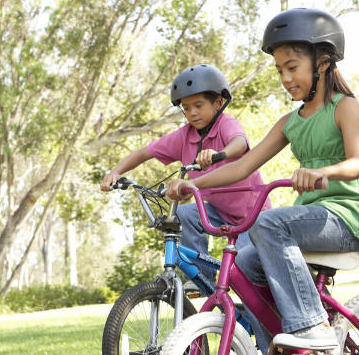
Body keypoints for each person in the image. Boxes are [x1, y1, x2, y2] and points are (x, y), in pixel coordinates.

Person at [165, 8, 359, 350]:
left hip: (346, 217)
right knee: (243, 265)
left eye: (292, 67)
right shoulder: (290, 121)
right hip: (310, 220)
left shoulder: (344, 106)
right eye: (280, 71)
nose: (286, 78)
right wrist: (193, 184)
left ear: (322, 63)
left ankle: (311, 325)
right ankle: (281, 348)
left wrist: (321, 172)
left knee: (265, 224)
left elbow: (358, 164)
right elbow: (242, 167)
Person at [100, 64, 269, 281]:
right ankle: (201, 278)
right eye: (186, 108)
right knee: (183, 215)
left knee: (245, 272)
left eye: (198, 105)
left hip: (253, 215)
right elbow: (144, 153)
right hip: (219, 211)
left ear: (218, 102)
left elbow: (239, 143)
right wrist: (116, 171)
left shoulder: (226, 124)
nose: (192, 113)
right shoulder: (183, 136)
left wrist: (219, 154)